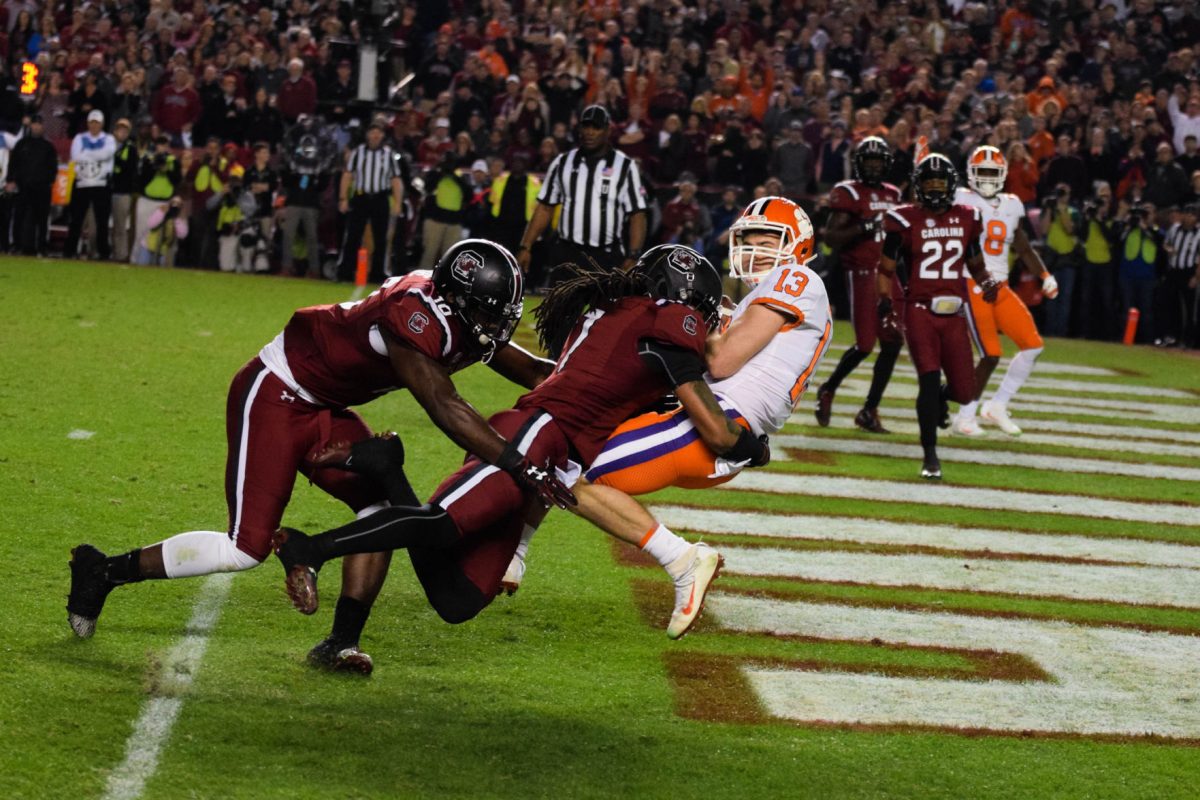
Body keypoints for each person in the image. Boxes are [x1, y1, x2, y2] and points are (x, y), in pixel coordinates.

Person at [276, 245, 767, 669]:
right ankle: (310, 549)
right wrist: (753, 443)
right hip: (535, 436)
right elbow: (719, 436)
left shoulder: (621, 312)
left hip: (550, 452)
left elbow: (585, 381)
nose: (706, 322)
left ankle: (386, 468)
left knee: (459, 599)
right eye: (701, 311)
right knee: (442, 523)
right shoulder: (665, 324)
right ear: (681, 301)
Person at [66, 240, 561, 658]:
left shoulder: (460, 314)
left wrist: (612, 386)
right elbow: (444, 405)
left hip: (326, 404)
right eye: (485, 312)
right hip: (277, 392)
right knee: (246, 548)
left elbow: (540, 373)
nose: (493, 325)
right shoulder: (413, 316)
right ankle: (104, 570)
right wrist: (520, 465)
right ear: (454, 299)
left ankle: (340, 645)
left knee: (382, 511)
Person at [504, 198, 831, 639]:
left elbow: (722, 361)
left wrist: (695, 311)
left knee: (564, 466)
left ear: (799, 245)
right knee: (566, 440)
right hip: (695, 415)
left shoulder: (797, 277)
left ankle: (682, 560)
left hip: (718, 418)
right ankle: (515, 548)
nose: (756, 249)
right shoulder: (761, 293)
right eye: (749, 240)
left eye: (768, 239)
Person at [878, 155, 998, 479]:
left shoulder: (967, 217)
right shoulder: (903, 220)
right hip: (919, 311)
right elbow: (886, 269)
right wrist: (885, 305)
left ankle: (942, 398)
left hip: (954, 314)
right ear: (919, 185)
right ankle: (930, 456)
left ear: (951, 185)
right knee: (928, 382)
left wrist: (986, 281)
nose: (934, 188)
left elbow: (975, 263)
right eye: (928, 183)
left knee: (965, 391)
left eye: (939, 183)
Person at [952, 146, 1058, 437]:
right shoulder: (960, 199)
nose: (986, 177)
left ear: (1001, 175)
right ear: (971, 174)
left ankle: (997, 405)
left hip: (1001, 286)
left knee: (1033, 345)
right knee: (990, 354)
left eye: (991, 172)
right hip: (972, 283)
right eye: (981, 171)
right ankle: (964, 415)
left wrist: (1044, 275)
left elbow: (1022, 246)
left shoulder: (1012, 204)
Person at [814, 137, 904, 433]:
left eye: (879, 162)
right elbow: (831, 238)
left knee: (892, 341)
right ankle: (828, 388)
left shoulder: (893, 193)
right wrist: (863, 227)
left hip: (890, 274)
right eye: (870, 161)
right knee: (866, 345)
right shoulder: (848, 192)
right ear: (859, 164)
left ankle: (869, 410)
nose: (875, 167)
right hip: (863, 273)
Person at [516, 104, 648, 283]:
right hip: (567, 255)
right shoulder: (563, 162)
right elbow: (545, 207)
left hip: (607, 256)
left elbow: (637, 214)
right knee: (560, 310)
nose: (590, 132)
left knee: (606, 311)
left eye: (596, 127)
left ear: (607, 130)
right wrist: (526, 245)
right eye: (586, 126)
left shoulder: (624, 166)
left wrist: (633, 255)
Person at [336, 119, 404, 284]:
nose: (375, 135)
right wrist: (343, 198)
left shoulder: (388, 155)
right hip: (361, 197)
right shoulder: (358, 152)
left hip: (380, 198)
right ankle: (345, 271)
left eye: (378, 132)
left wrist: (397, 202)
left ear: (382, 136)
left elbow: (395, 180)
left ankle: (378, 274)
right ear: (367, 135)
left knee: (381, 238)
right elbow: (347, 175)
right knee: (353, 235)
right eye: (372, 132)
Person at [63, 110, 117, 261]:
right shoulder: (80, 138)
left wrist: (87, 154)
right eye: (92, 122)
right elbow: (76, 156)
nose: (94, 126)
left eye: (97, 123)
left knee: (102, 221)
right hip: (81, 183)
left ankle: (103, 252)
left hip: (101, 183)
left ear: (102, 124)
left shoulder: (109, 138)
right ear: (88, 123)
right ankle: (70, 250)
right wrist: (95, 154)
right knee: (76, 220)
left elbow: (107, 153)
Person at [9, 115, 57, 257]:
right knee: (19, 217)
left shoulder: (48, 147)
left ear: (42, 127)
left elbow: (52, 168)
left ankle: (41, 247)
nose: (36, 127)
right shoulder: (21, 144)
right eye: (34, 124)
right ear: (31, 126)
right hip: (23, 187)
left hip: (41, 188)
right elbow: (13, 164)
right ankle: (17, 245)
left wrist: (47, 182)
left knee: (42, 220)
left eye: (39, 124)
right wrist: (11, 180)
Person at [1039, 183, 1083, 337]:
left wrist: (1061, 209)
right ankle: (1050, 332)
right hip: (1053, 259)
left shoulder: (1073, 212)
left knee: (1065, 299)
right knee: (1052, 297)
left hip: (1068, 259)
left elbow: (1069, 229)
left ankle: (1061, 332)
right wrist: (1051, 209)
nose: (1062, 195)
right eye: (1060, 192)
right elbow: (1043, 230)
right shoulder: (1049, 209)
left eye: (1065, 192)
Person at [1158, 203, 1200, 347]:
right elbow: (1165, 243)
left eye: (1192, 214)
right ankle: (1170, 336)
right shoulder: (1174, 229)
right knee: (1169, 304)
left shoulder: (1199, 234)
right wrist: (1168, 249)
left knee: (1189, 308)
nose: (1188, 217)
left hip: (1188, 272)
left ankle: (1188, 340)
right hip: (1173, 271)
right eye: (1186, 213)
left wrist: (1196, 277)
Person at [109, 119, 139, 262]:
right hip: (106, 190)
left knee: (120, 227)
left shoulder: (131, 149)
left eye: (125, 131)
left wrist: (116, 158)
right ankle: (104, 251)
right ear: (115, 131)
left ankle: (120, 255)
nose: (122, 133)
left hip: (122, 192)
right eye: (120, 130)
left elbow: (130, 169)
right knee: (104, 225)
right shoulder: (107, 144)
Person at [132, 197, 188, 267]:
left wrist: (177, 219)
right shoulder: (160, 211)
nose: (174, 207)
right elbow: (151, 224)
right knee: (142, 268)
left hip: (163, 249)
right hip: (147, 246)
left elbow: (182, 235)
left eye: (178, 204)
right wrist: (161, 212)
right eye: (173, 203)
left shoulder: (179, 219)